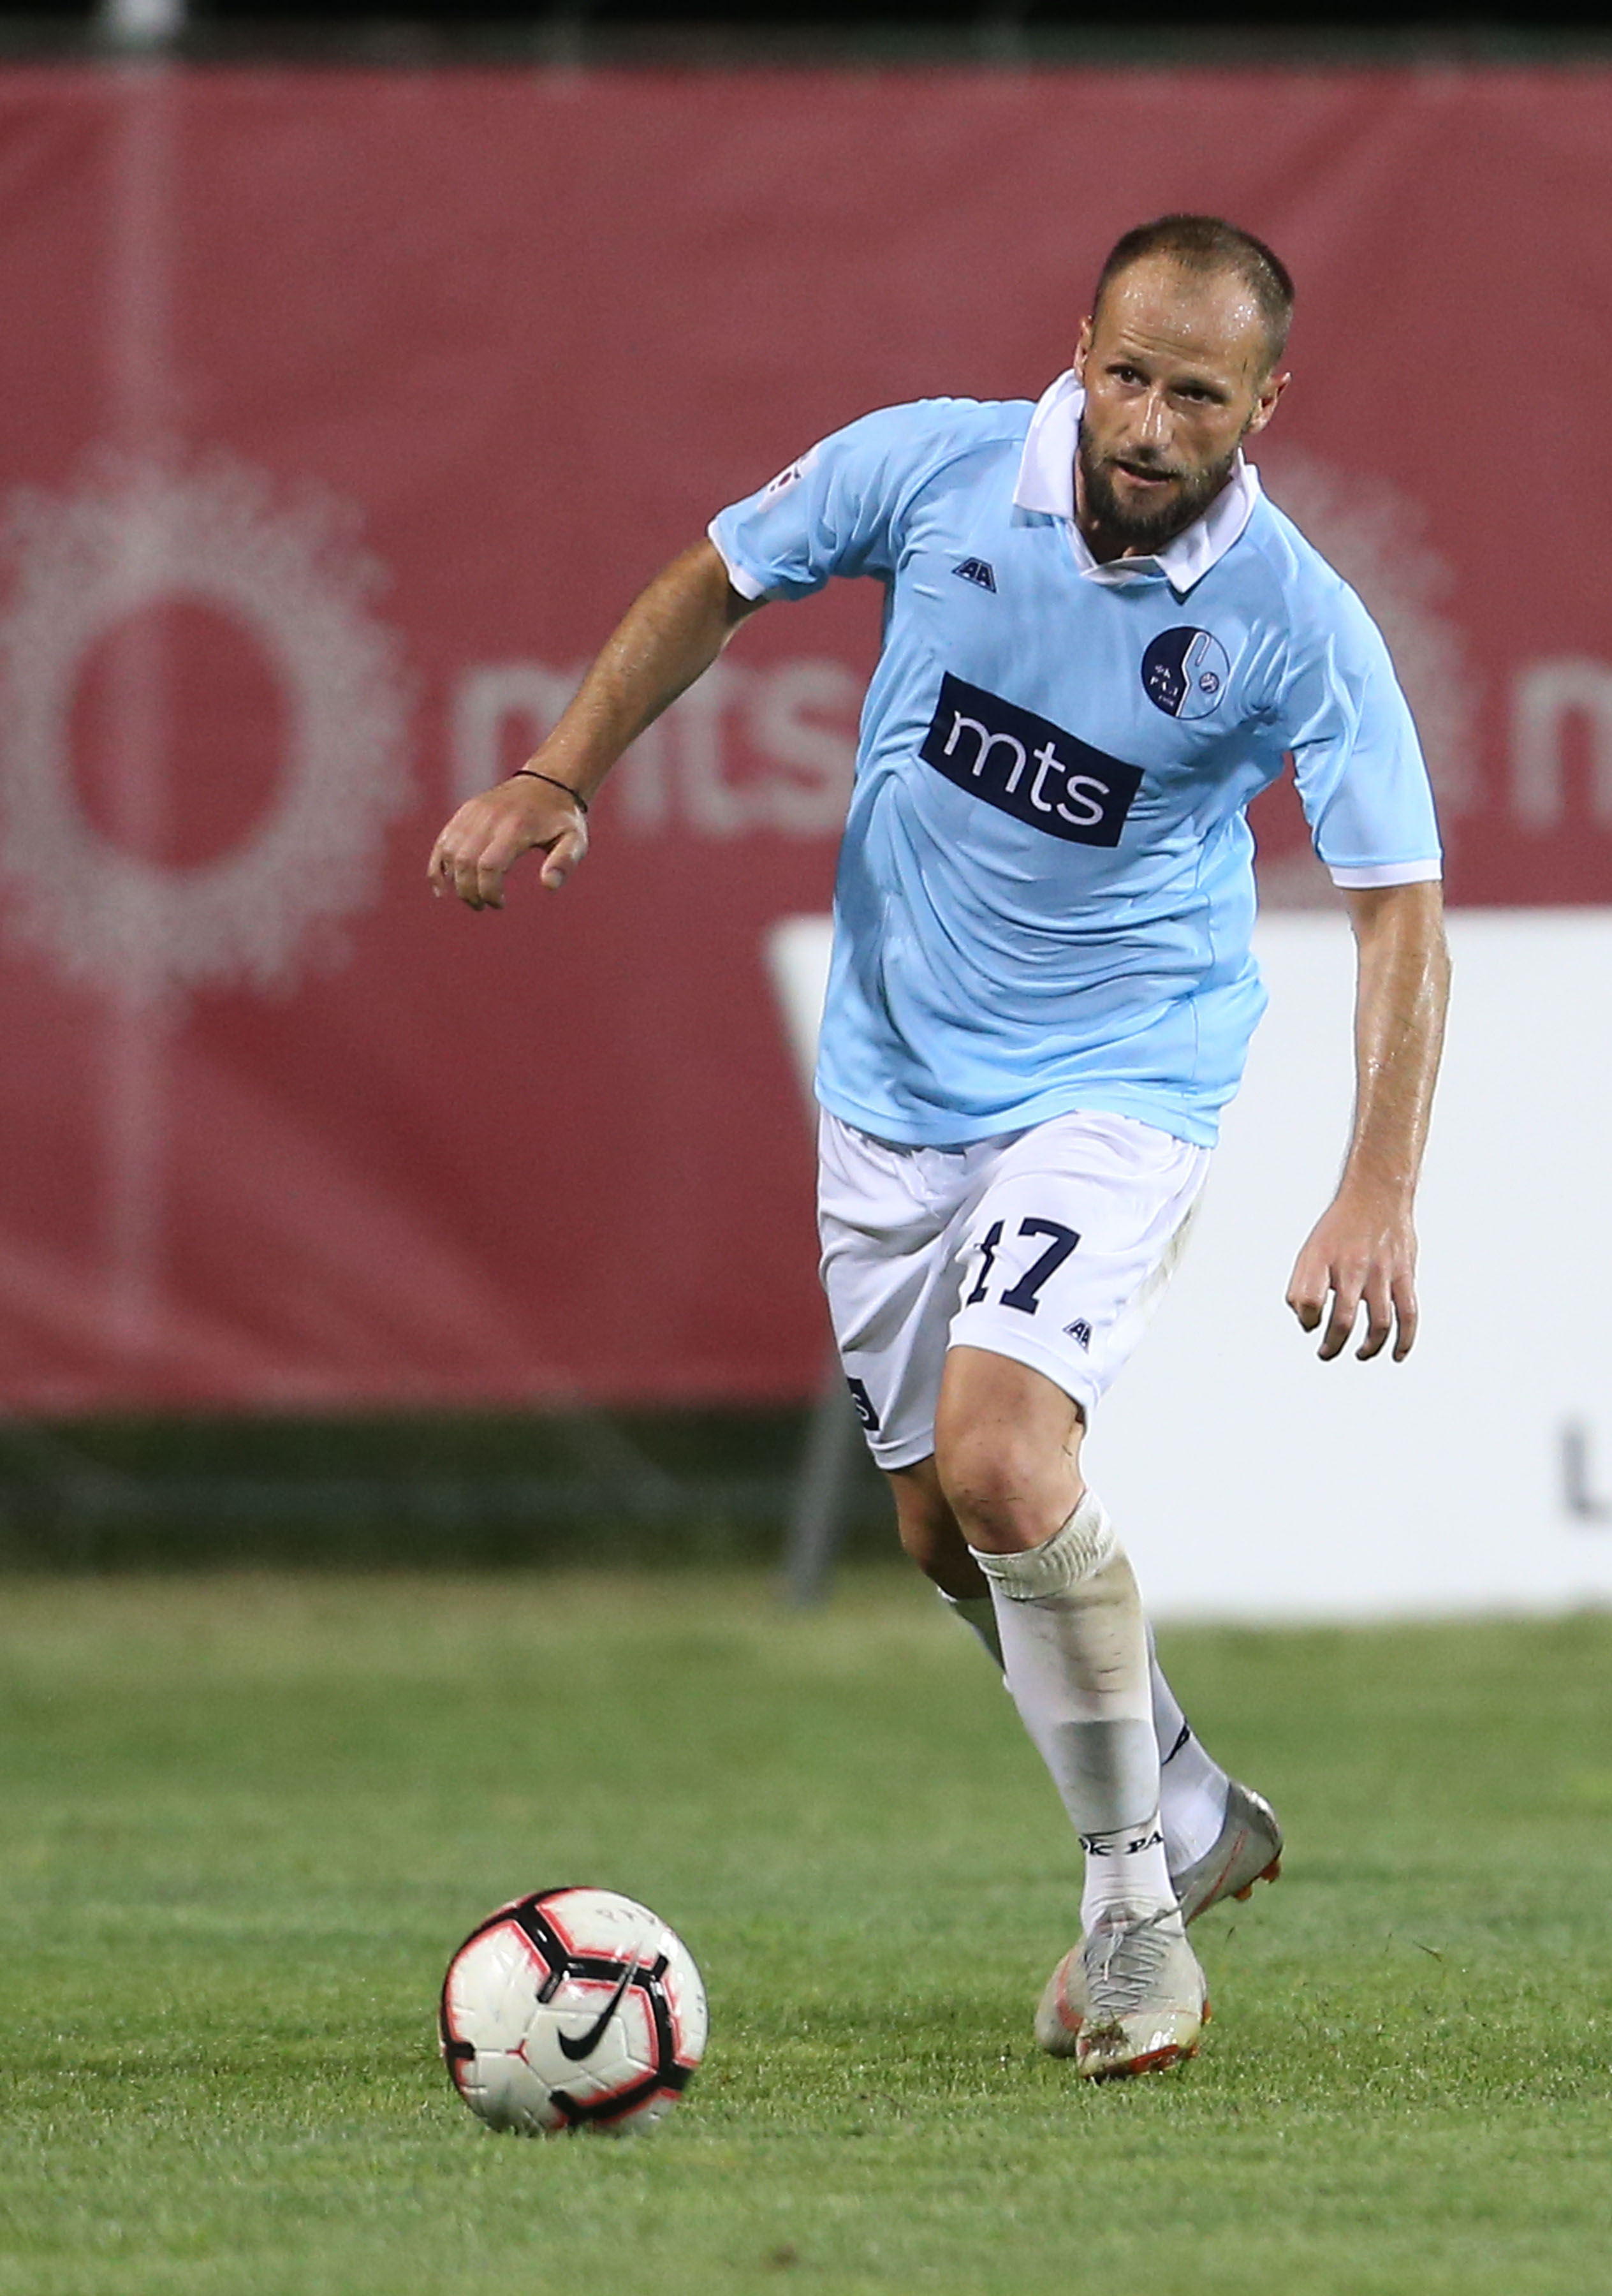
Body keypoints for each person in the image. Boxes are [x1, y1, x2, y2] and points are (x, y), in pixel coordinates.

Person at [427, 215, 1450, 2075]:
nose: (1146, 420)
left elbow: (1397, 904)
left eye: (1195, 394)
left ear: (1263, 407)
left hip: (1120, 1078)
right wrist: (557, 769)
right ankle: (1190, 1801)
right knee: (938, 1525)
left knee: (996, 1457)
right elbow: (715, 578)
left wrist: (1374, 1177)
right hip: (894, 1087)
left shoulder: (1291, 615)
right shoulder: (933, 465)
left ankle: (1135, 1912)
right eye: (1127, 372)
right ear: (1082, 342)